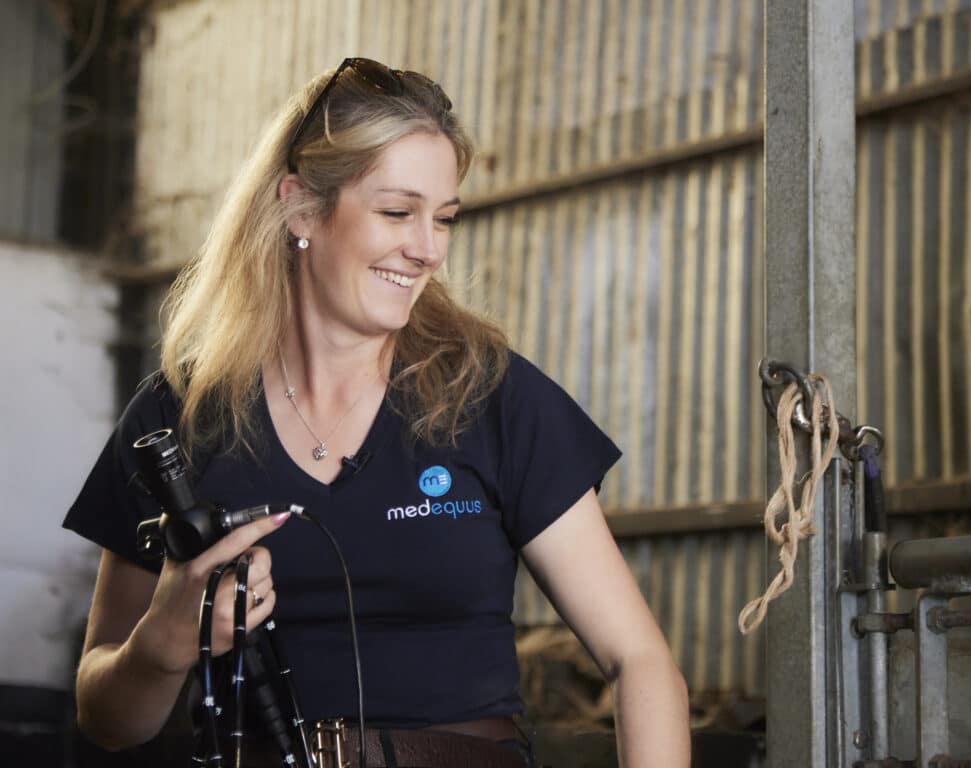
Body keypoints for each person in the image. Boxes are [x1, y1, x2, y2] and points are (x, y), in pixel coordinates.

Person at [65, 58, 690, 767]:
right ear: (302, 209)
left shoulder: (491, 396)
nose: (427, 250)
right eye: (397, 212)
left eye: (444, 218)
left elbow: (639, 661)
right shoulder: (179, 416)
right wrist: (161, 645)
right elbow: (105, 720)